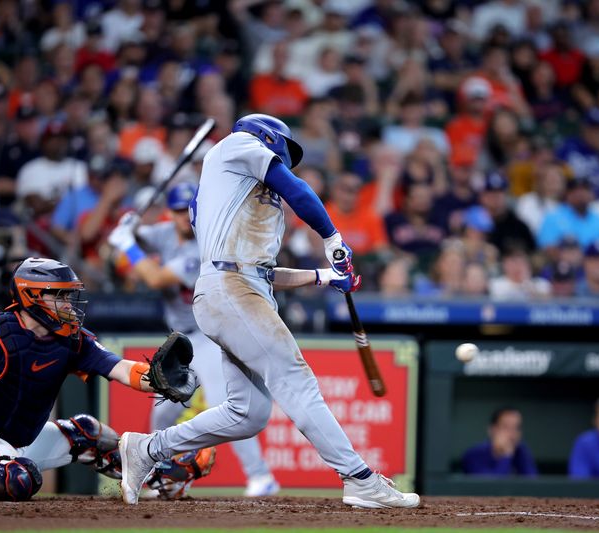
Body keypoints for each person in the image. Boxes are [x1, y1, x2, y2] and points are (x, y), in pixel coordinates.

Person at [117, 113, 420, 508]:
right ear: (267, 137)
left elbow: (262, 271)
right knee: (296, 380)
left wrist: (324, 276)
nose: (282, 160)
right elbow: (298, 191)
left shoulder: (236, 194)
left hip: (236, 290)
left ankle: (147, 449)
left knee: (248, 414)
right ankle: (359, 478)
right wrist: (333, 238)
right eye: (281, 149)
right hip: (232, 290)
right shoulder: (236, 145)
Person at [0, 257, 213, 500]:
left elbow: (121, 369)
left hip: (18, 445)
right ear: (32, 296)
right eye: (59, 295)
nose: (68, 304)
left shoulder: (72, 340)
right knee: (17, 480)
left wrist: (157, 378)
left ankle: (163, 477)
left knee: (86, 432)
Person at [107, 183, 280, 497]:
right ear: (169, 213)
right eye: (175, 211)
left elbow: (156, 278)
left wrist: (126, 245)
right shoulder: (165, 232)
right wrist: (128, 227)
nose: (182, 218)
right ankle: (152, 472)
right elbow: (142, 236)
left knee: (226, 405)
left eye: (186, 211)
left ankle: (260, 476)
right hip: (182, 339)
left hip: (210, 335)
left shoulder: (201, 246)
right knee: (164, 412)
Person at [462, 407, 537, 477]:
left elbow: (533, 483)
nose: (512, 434)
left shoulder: (520, 451)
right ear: (492, 430)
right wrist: (506, 455)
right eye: (506, 427)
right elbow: (493, 487)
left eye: (517, 428)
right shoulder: (474, 455)